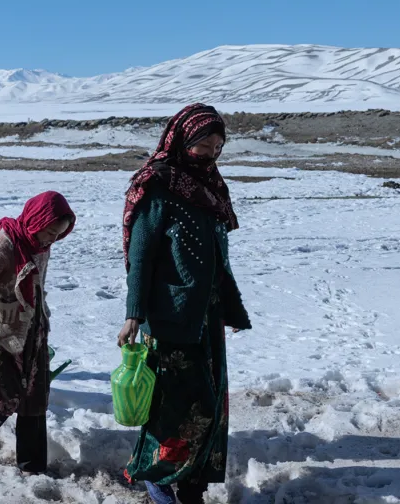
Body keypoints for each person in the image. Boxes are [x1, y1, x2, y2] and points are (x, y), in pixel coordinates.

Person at [118, 103, 252, 504]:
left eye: (218, 147)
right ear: (182, 141)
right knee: (177, 405)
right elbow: (141, 257)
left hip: (206, 318)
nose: (210, 154)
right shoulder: (158, 185)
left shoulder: (211, 187)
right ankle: (156, 477)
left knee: (211, 405)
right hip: (169, 317)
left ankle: (193, 485)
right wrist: (134, 314)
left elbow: (217, 258)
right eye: (203, 146)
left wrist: (230, 305)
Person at [0, 191, 76, 475]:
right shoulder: (3, 247)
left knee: (35, 400)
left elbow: (36, 287)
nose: (51, 240)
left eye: (57, 234)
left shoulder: (41, 246)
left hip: (34, 332)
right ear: (37, 220)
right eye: (49, 232)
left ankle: (32, 467)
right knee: (4, 398)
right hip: (3, 336)